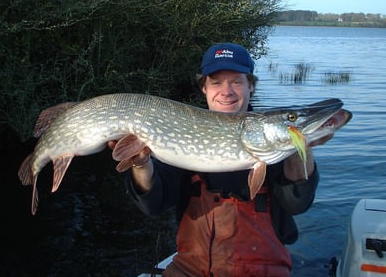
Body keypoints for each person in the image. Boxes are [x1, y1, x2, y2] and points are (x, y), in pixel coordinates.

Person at [108, 43, 332, 276]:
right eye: (216, 82)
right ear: (204, 88)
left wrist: (300, 148)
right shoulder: (179, 131)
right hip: (189, 269)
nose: (227, 91)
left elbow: (297, 204)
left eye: (236, 81)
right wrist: (141, 164)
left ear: (251, 86)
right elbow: (153, 205)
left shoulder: (273, 145)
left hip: (263, 270)